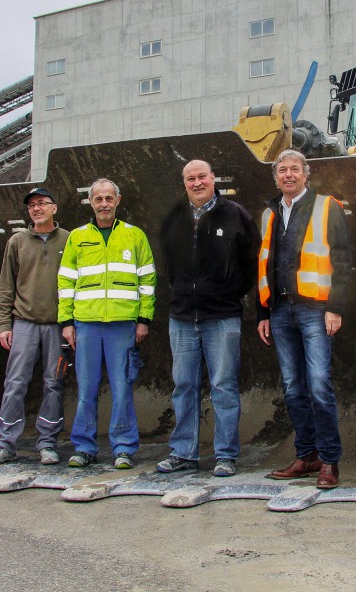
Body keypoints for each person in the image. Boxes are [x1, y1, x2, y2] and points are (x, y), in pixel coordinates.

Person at [155, 160, 260, 478]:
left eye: (202, 177)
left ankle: (225, 454)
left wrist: (230, 292)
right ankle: (183, 453)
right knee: (183, 385)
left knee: (223, 386)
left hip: (222, 317)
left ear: (214, 178)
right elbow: (168, 264)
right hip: (183, 317)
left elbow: (252, 260)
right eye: (190, 178)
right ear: (184, 183)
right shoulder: (175, 217)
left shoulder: (236, 215)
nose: (197, 183)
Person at [256, 149, 352, 489]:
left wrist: (335, 307)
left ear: (305, 174)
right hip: (280, 310)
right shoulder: (270, 213)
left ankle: (329, 461)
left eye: (294, 169)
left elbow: (342, 260)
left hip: (315, 309)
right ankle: (306, 455)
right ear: (276, 177)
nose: (288, 175)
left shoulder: (327, 207)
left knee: (319, 385)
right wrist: (263, 312)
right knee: (294, 388)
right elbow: (264, 263)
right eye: (282, 170)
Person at [57, 178, 155, 470]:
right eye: (98, 199)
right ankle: (84, 447)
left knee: (122, 387)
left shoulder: (134, 236)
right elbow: (66, 282)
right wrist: (67, 322)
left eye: (108, 198)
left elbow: (147, 279)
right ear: (91, 202)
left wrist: (143, 319)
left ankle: (123, 448)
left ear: (118, 201)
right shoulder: (77, 237)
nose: (103, 204)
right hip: (86, 324)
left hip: (123, 324)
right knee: (86, 388)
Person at [0, 187, 71, 467]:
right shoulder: (17, 241)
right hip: (23, 325)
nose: (37, 208)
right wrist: (4, 324)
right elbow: (6, 286)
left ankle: (47, 442)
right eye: (32, 205)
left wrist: (72, 323)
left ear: (54, 208)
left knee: (54, 384)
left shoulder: (70, 240)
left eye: (42, 203)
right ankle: (6, 442)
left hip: (57, 327)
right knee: (15, 383)